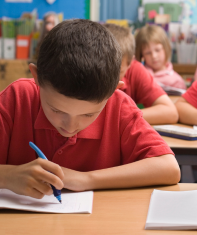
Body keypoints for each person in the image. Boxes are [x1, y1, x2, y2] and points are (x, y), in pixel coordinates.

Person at [0, 19, 180, 199]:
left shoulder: (118, 106)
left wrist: (85, 179)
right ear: (36, 77)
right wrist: (7, 176)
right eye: (56, 110)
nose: (70, 127)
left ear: (113, 91)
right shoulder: (17, 98)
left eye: (88, 114)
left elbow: (169, 168)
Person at [104, 23, 178, 124]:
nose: (107, 78)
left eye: (117, 72)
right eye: (102, 69)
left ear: (130, 62)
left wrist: (122, 117)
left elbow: (171, 113)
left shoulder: (136, 70)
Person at [135, 25, 186, 90]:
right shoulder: (137, 73)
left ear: (166, 48)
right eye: (148, 53)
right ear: (141, 55)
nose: (154, 56)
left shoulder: (177, 81)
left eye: (157, 50)